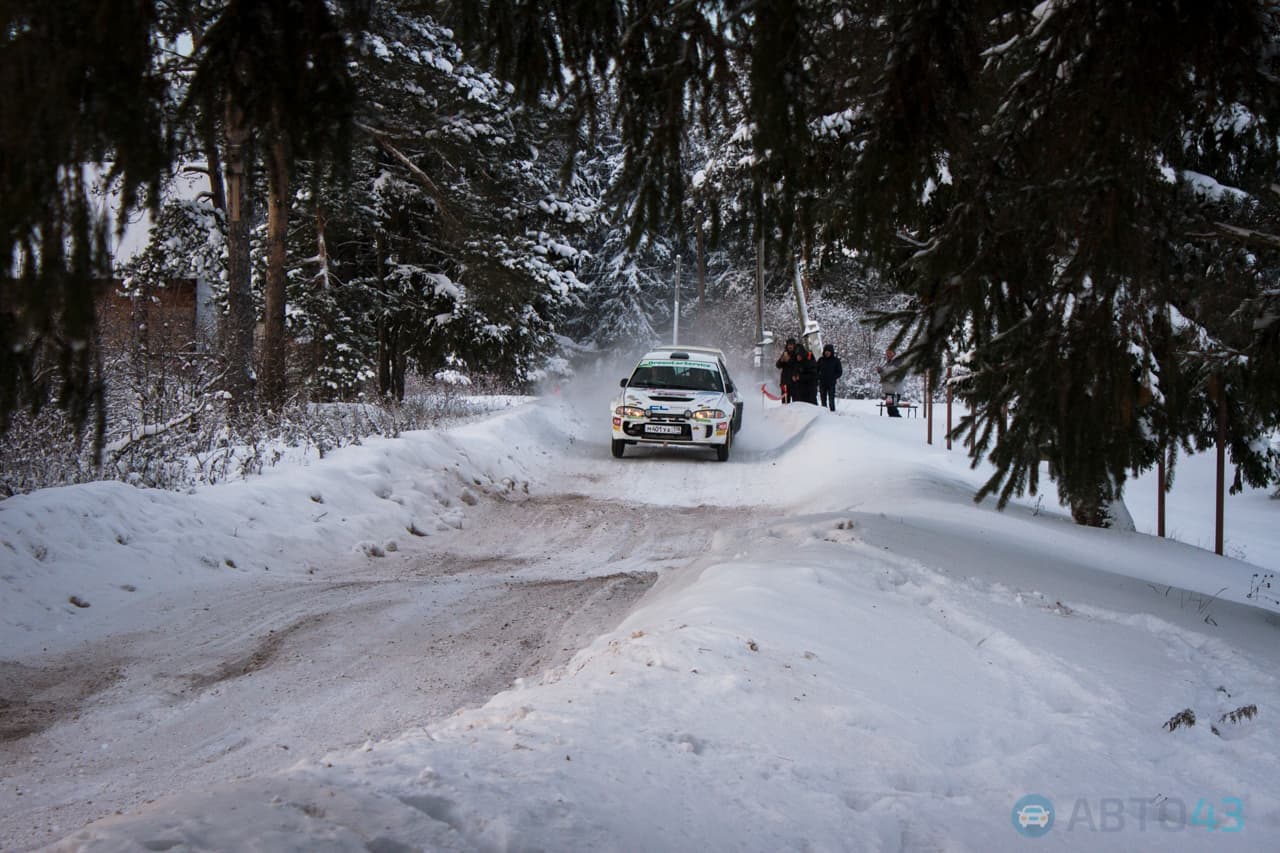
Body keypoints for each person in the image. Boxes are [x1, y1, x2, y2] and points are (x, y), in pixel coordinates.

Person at [817, 343, 843, 412]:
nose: (827, 353)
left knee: (831, 399)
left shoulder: (836, 360)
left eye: (828, 351)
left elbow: (840, 372)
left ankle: (832, 411)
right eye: (826, 351)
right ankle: (824, 411)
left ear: (831, 352)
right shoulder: (821, 360)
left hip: (831, 383)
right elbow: (816, 370)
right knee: (823, 398)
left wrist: (834, 377)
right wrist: (819, 377)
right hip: (822, 382)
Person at [878, 348, 903, 417]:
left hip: (895, 391)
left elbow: (895, 377)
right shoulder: (887, 363)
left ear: (894, 354)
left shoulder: (898, 363)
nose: (887, 355)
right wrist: (881, 372)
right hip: (888, 391)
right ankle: (893, 425)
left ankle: (900, 423)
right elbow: (886, 375)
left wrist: (883, 373)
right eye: (887, 353)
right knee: (890, 409)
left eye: (889, 353)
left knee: (893, 409)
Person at [775, 338, 798, 403]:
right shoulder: (785, 353)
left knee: (796, 403)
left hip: (794, 383)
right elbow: (778, 365)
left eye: (791, 345)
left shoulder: (797, 354)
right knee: (785, 402)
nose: (790, 346)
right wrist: (781, 360)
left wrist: (788, 360)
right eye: (788, 345)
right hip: (785, 382)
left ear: (794, 345)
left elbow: (796, 365)